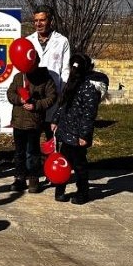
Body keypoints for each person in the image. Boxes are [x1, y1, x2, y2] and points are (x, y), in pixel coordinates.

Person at [51, 53, 107, 205]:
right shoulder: (72, 82)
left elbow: (89, 115)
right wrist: (55, 120)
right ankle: (60, 191)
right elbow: (62, 103)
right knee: (63, 162)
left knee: (79, 165)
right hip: (66, 130)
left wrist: (84, 135)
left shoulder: (90, 88)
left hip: (78, 135)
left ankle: (83, 193)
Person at [6, 53, 57, 194]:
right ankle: (19, 178)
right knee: (19, 153)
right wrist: (18, 99)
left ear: (37, 63)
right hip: (18, 122)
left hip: (34, 123)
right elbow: (10, 93)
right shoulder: (18, 77)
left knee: (32, 153)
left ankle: (34, 179)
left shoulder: (45, 78)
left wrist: (36, 105)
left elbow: (52, 97)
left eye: (32, 64)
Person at [26, 5, 70, 137]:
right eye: (36, 21)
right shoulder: (29, 41)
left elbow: (65, 69)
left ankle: (51, 157)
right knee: (33, 136)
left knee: (52, 135)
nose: (38, 24)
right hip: (34, 94)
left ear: (50, 21)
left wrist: (63, 92)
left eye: (42, 20)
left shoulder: (61, 41)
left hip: (54, 93)